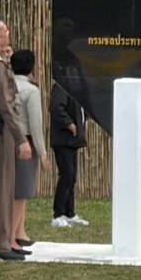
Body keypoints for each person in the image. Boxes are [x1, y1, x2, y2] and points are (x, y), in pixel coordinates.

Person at [0, 16, 28, 260]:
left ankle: (3, 240)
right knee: (0, 188)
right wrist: (21, 138)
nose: (8, 33)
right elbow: (5, 104)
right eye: (4, 31)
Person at [10, 49, 45, 250]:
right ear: (31, 67)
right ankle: (13, 237)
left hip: (8, 141)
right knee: (21, 192)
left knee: (14, 189)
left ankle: (20, 232)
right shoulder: (31, 90)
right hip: (26, 143)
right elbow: (35, 125)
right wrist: (42, 153)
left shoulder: (6, 86)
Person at [48, 78, 87, 228]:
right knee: (67, 175)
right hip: (63, 139)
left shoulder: (76, 88)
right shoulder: (61, 86)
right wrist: (70, 124)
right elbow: (57, 108)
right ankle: (57, 214)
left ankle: (69, 212)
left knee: (72, 177)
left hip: (72, 140)